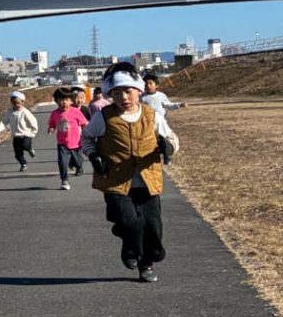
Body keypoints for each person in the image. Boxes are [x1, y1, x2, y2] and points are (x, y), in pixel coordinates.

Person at [83, 67, 174, 281]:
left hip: (147, 181)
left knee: (152, 227)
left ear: (139, 91)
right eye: (116, 93)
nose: (123, 97)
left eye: (128, 91)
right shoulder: (103, 117)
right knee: (130, 222)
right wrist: (93, 155)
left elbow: (171, 138)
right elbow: (86, 138)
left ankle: (147, 263)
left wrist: (168, 147)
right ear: (110, 94)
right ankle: (131, 250)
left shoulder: (152, 115)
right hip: (116, 181)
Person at [46, 88, 86, 190]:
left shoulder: (76, 112)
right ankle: (64, 181)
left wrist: (87, 133)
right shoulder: (55, 113)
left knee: (79, 162)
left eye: (67, 100)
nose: (64, 102)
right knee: (62, 162)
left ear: (71, 101)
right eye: (61, 100)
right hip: (62, 143)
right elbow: (52, 124)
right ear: (56, 101)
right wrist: (51, 129)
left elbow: (84, 123)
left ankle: (75, 164)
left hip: (76, 143)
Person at [142, 71, 184, 162]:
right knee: (151, 142)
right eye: (145, 84)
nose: (148, 85)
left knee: (164, 141)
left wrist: (179, 105)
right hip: (149, 124)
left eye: (150, 83)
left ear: (156, 85)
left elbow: (168, 105)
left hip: (161, 124)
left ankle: (166, 156)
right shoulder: (142, 97)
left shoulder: (161, 96)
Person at [1, 90, 39, 170]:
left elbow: (33, 122)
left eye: (18, 103)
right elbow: (4, 121)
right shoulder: (10, 112)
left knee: (24, 145)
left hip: (26, 134)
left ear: (22, 102)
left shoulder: (25, 112)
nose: (16, 105)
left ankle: (29, 149)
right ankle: (23, 164)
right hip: (16, 136)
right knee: (17, 154)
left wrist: (33, 133)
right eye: (14, 103)